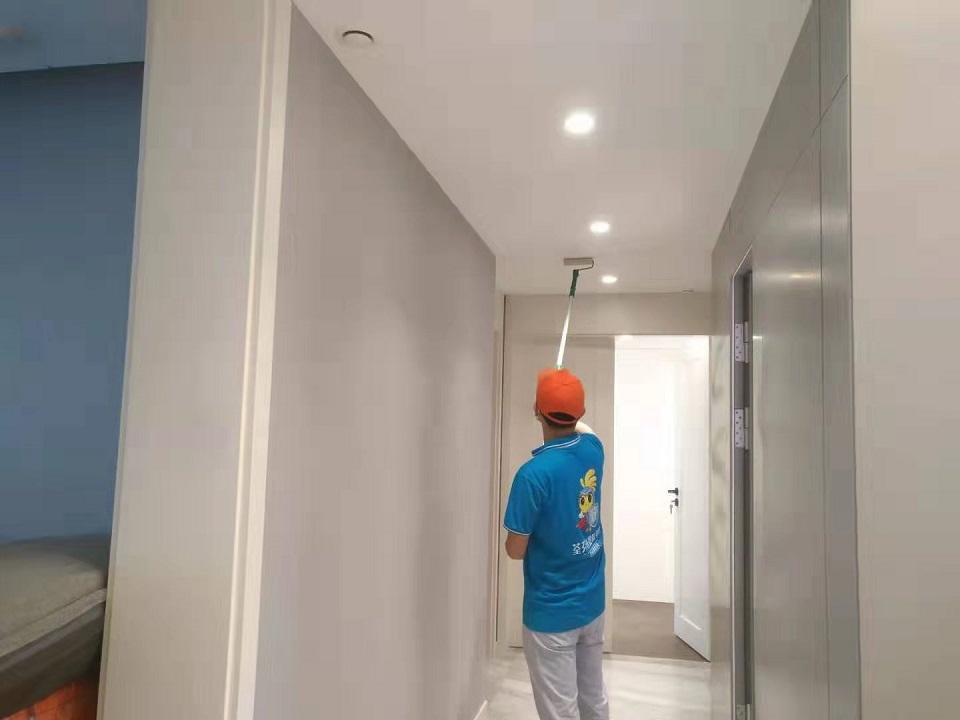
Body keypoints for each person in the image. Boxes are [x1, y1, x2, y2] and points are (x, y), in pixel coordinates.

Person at [503, 368, 609, 720]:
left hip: (552, 614)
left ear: (537, 411)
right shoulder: (593, 450)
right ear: (581, 412)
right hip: (592, 605)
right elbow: (584, 429)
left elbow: (515, 550)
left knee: (560, 711)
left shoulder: (532, 475)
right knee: (593, 699)